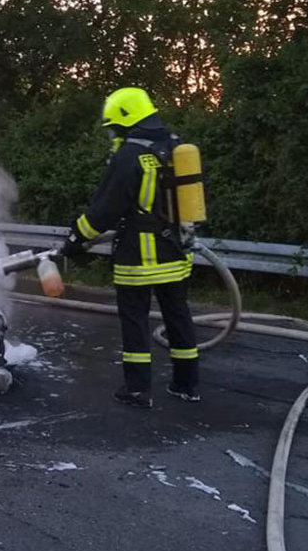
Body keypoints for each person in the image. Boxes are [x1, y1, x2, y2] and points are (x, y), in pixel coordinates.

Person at [61, 87, 200, 408]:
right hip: (177, 253)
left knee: (135, 322)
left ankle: (138, 390)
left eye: (113, 127)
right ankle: (187, 385)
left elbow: (104, 211)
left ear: (126, 119)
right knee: (179, 317)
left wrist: (75, 239)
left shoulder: (129, 156)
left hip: (139, 258)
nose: (111, 133)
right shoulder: (176, 146)